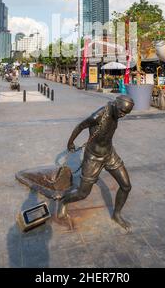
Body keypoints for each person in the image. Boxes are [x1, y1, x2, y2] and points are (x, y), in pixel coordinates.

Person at [57, 94, 134, 231]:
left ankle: (116, 214)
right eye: (122, 111)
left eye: (126, 113)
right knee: (82, 193)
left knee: (126, 186)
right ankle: (64, 201)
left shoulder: (117, 112)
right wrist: (70, 142)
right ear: (116, 105)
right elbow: (80, 126)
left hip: (110, 154)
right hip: (93, 157)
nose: (123, 115)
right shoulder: (97, 116)